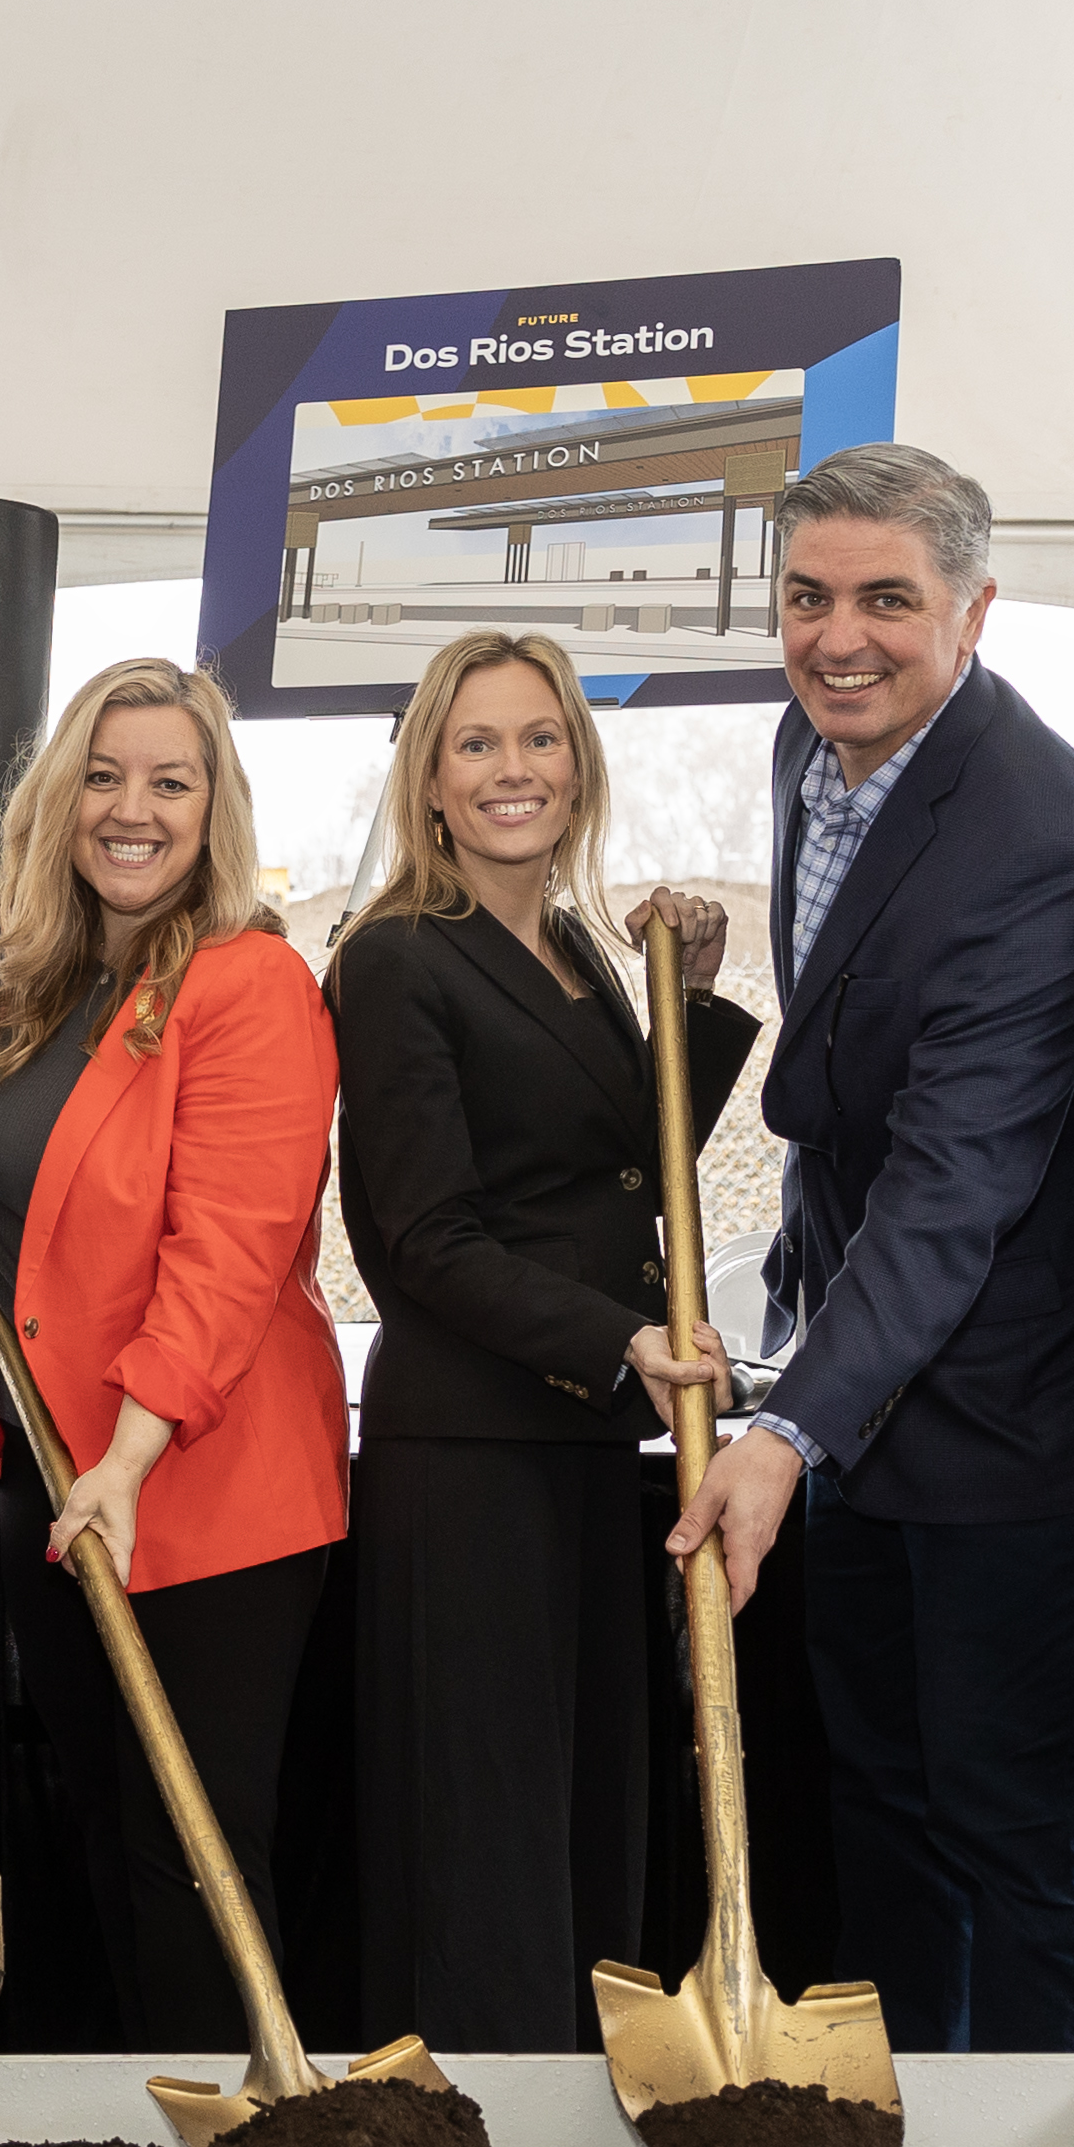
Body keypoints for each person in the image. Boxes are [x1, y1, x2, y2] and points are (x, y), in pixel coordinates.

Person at [660, 441, 1074, 2053]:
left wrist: (786, 1427)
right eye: (806, 599)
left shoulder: (1035, 840)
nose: (837, 638)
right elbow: (839, 1091)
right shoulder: (811, 746)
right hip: (859, 1389)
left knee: (1016, 1819)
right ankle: (907, 2133)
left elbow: (953, 1182)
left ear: (973, 610)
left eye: (885, 601)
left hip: (1008, 1411)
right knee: (878, 1797)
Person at [324, 631, 757, 2054]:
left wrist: (688, 1004)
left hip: (579, 1437)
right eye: (477, 744)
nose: (512, 770)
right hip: (469, 1453)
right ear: (428, 780)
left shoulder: (572, 943)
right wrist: (622, 1336)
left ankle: (572, 2117)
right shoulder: (394, 956)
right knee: (486, 1840)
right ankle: (478, 2131)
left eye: (539, 738)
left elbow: (621, 1172)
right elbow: (423, 1242)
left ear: (578, 764)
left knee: (583, 1818)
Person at [0, 659, 348, 2054]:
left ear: (215, 810)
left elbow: (229, 1253)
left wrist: (127, 1459)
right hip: (57, 1478)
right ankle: (154, 2129)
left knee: (191, 1855)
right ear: (57, 803)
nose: (132, 809)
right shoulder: (54, 983)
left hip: (193, 1484)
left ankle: (245, 2142)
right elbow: (47, 1181)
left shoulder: (251, 983)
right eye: (102, 778)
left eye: (170, 782)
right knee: (104, 1830)